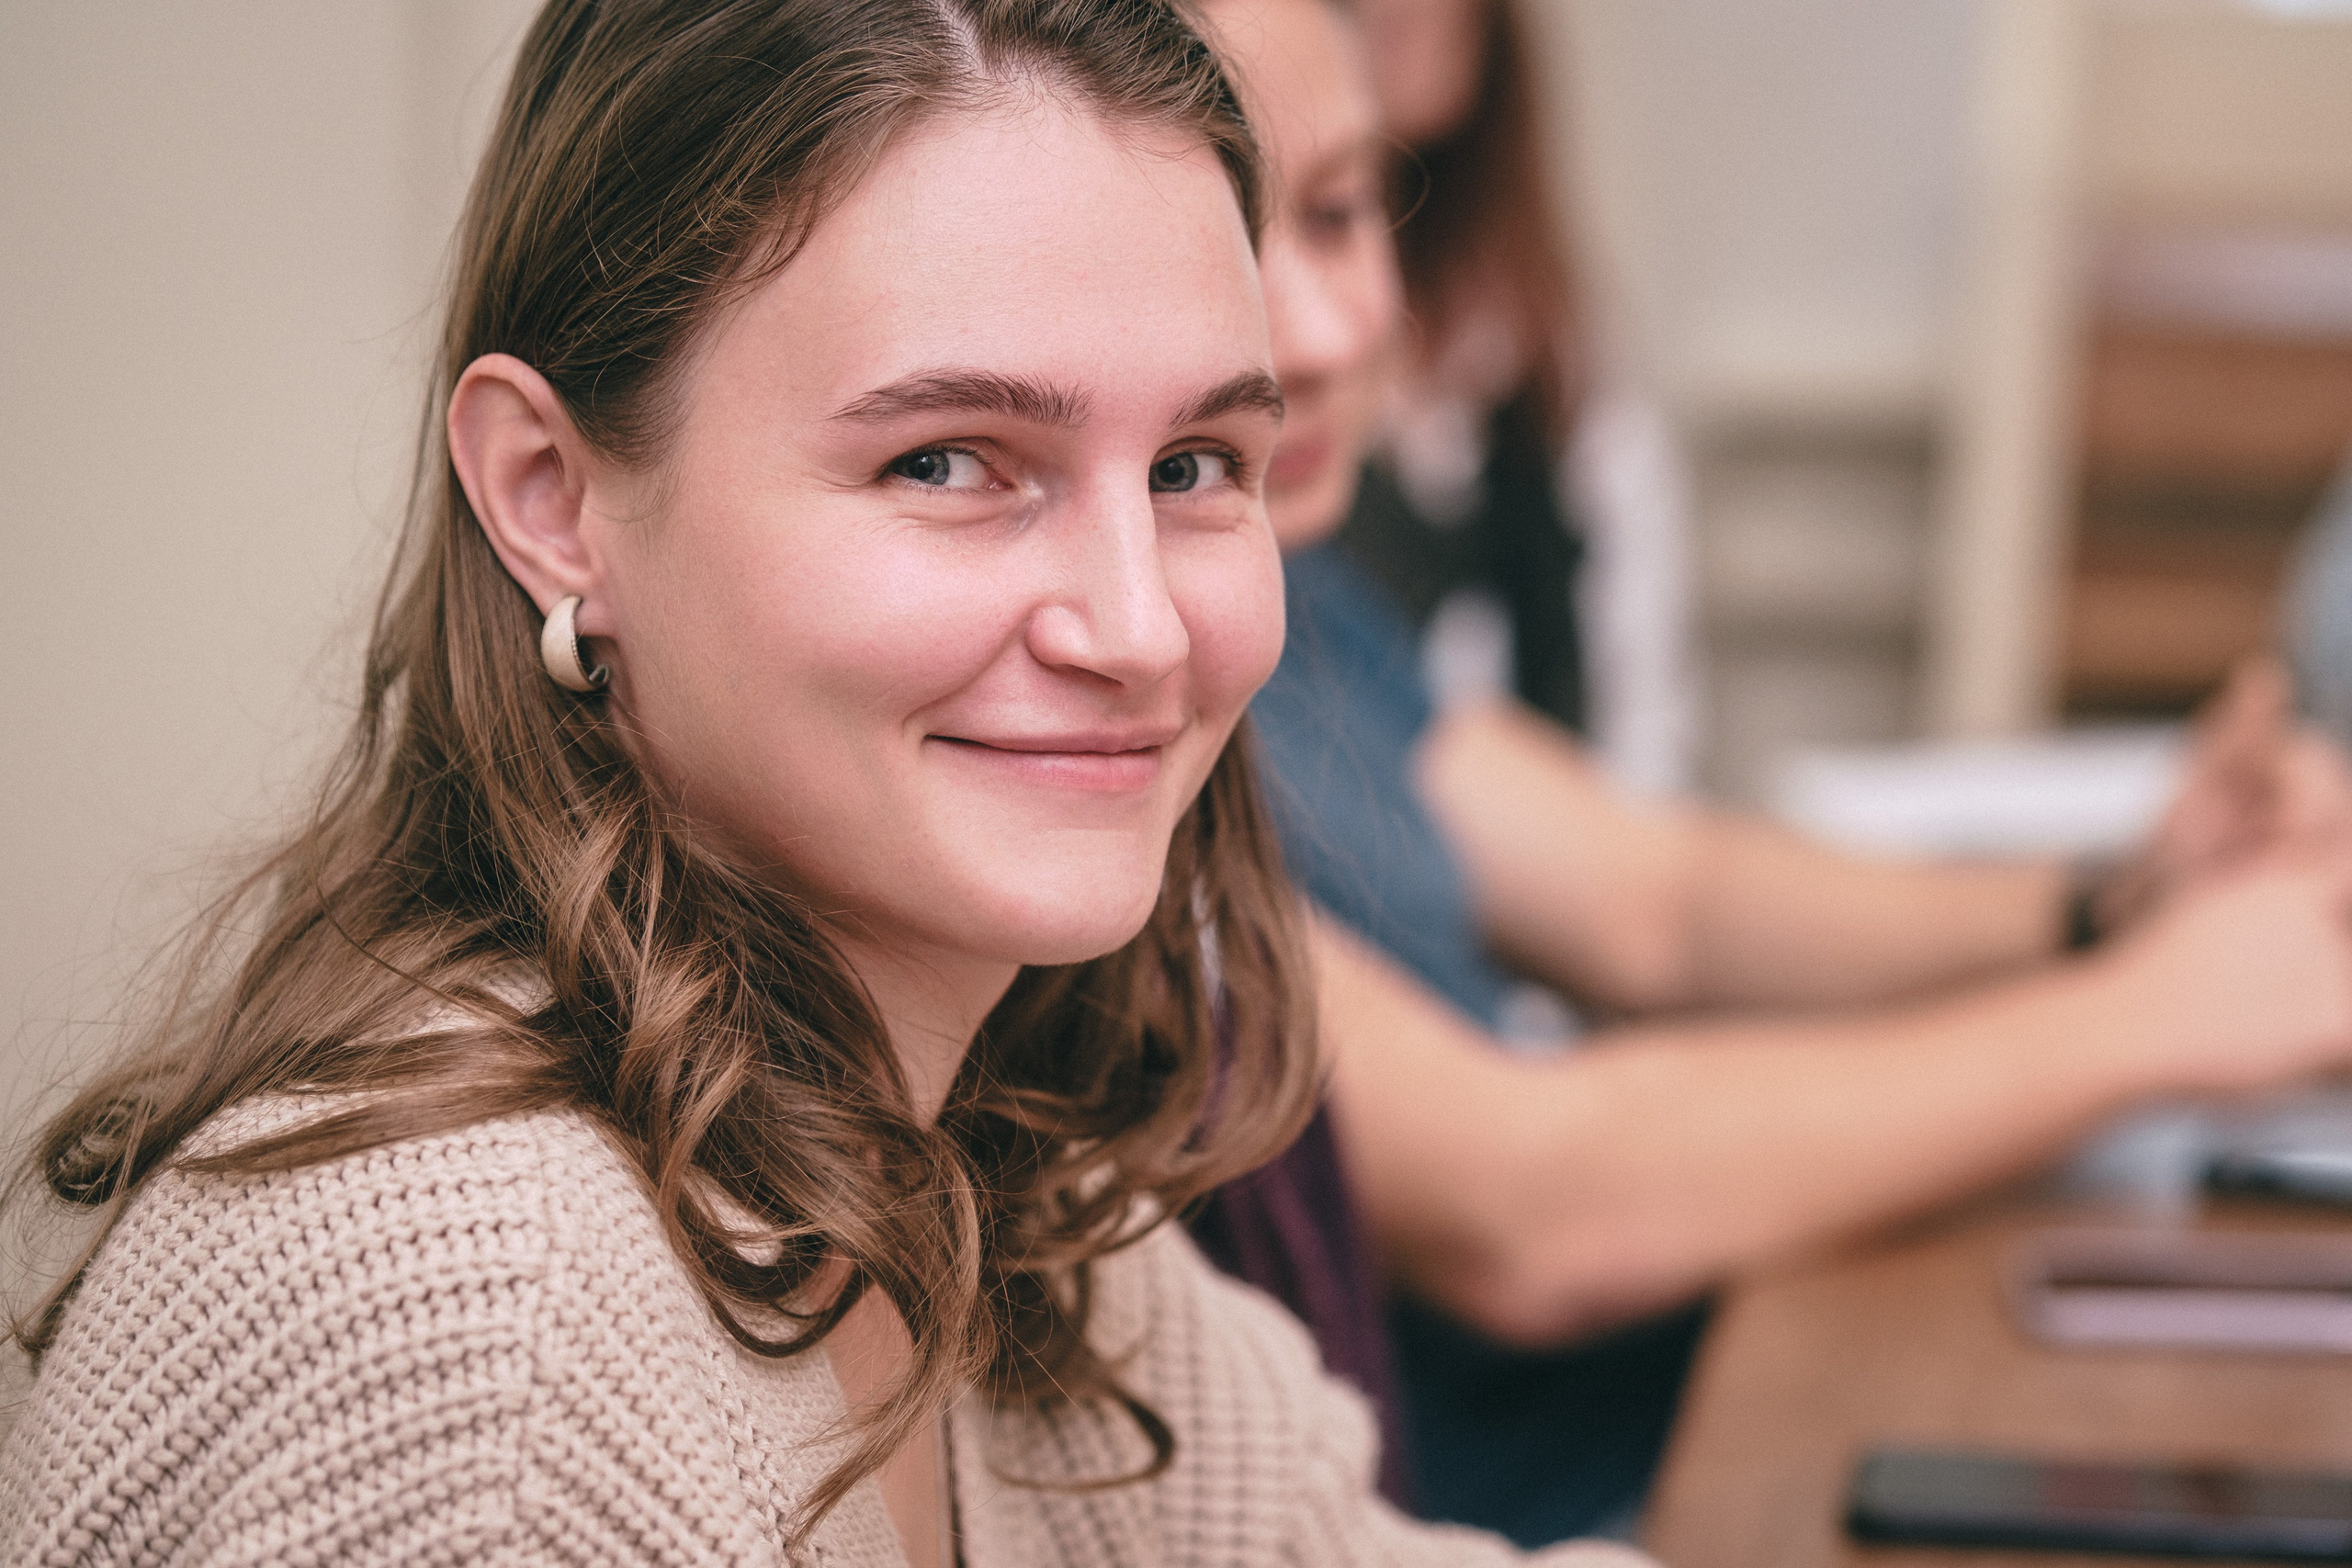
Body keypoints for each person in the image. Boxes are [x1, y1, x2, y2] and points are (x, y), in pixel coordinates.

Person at [0, 5, 1653, 1564]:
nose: (1142, 628)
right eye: (947, 462)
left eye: (1195, 467)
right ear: (552, 496)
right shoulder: (489, 1363)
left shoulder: (977, 1182)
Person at [1187, 0, 2352, 1545]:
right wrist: (2160, 1008)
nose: (1354, 320)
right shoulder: (1138, 685)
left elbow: (1654, 898)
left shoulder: (1297, 592)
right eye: (1260, 226)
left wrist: (2113, 898)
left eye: (1349, 211)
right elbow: (1532, 1204)